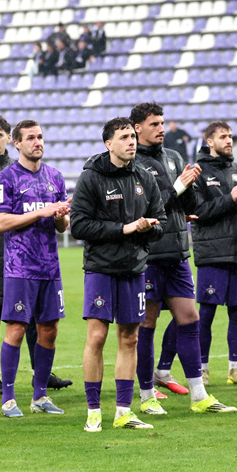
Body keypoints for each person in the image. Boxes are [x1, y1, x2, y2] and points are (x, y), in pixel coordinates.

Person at [132, 102, 237, 415]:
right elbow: (145, 209)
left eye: (162, 123)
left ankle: (199, 396)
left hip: (177, 251)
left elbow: (190, 204)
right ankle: (147, 395)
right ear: (138, 128)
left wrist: (190, 186)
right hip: (148, 254)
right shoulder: (133, 162)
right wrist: (177, 187)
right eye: (154, 124)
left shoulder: (174, 157)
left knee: (189, 319)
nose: (162, 128)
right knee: (146, 324)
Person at [71, 117, 167, 431]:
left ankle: (124, 411)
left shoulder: (145, 177)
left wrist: (149, 228)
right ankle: (93, 411)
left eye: (132, 137)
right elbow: (79, 226)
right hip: (100, 268)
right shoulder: (91, 178)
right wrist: (125, 228)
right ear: (108, 144)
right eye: (124, 137)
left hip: (134, 269)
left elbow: (161, 219)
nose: (131, 142)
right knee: (97, 337)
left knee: (130, 338)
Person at [0, 116, 71, 396]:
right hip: (20, 267)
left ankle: (40, 395)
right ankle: (7, 396)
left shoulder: (55, 176)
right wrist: (40, 212)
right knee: (17, 330)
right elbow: (2, 222)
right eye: (31, 138)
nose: (37, 142)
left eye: (40, 137)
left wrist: (60, 217)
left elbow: (62, 226)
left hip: (50, 267)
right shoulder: (7, 177)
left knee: (49, 330)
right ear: (16, 143)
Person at [191, 121, 237, 387]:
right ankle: (202, 369)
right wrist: (231, 197)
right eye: (223, 136)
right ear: (209, 141)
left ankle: (235, 369)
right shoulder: (197, 172)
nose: (229, 140)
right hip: (211, 252)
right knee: (206, 314)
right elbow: (199, 213)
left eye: (231, 136)